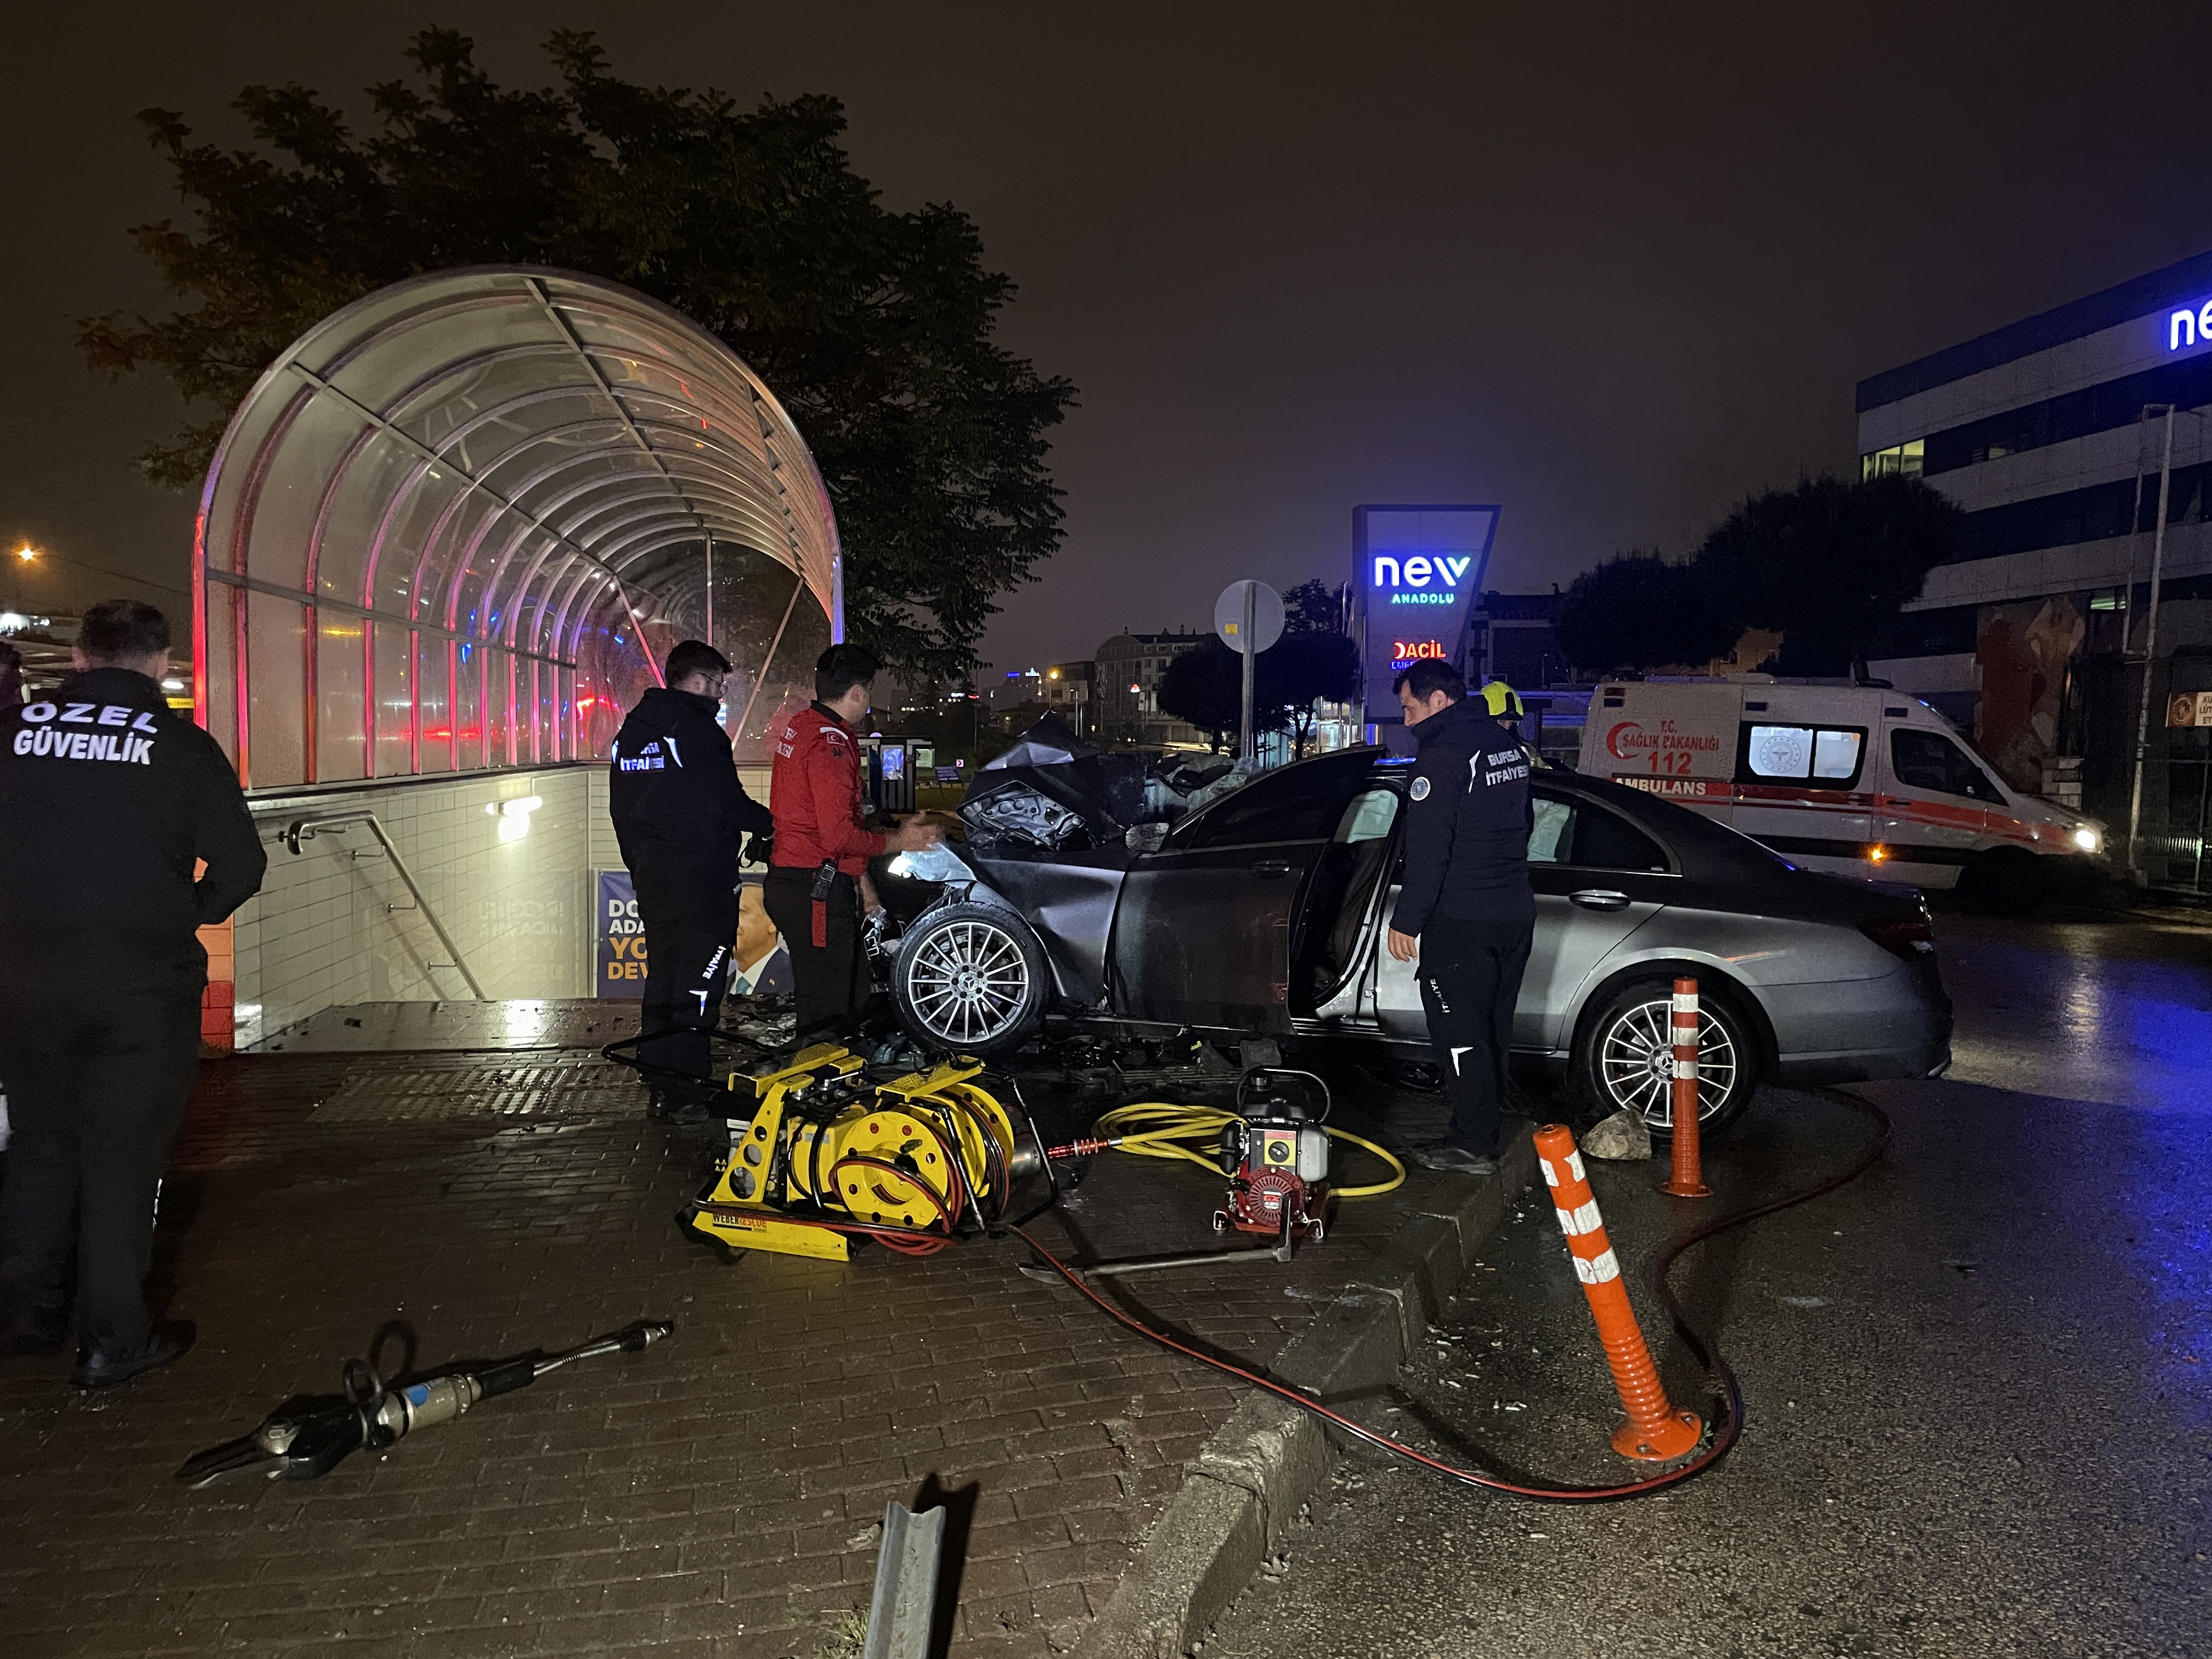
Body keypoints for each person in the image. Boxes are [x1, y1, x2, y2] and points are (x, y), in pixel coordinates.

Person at [0, 600, 266, 1387]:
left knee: (42, 1147)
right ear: (159, 662)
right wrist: (183, 913)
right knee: (122, 1158)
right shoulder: (179, 747)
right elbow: (241, 867)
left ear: (79, 659)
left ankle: (26, 1314)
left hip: (22, 982)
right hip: (139, 989)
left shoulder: (13, 736)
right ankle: (112, 1339)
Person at [608, 640, 774, 1120]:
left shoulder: (634, 731)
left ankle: (658, 1069)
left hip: (654, 879)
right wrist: (772, 824)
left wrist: (640, 866)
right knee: (700, 980)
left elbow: (622, 810)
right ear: (700, 681)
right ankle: (687, 1085)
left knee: (663, 973)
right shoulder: (698, 730)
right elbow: (727, 802)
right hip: (703, 882)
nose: (721, 696)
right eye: (719, 685)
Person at [1384, 659, 1535, 1176]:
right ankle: (1484, 1127)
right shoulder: (1508, 747)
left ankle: (1472, 1143)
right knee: (1493, 1027)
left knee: (1459, 1032)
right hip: (1513, 911)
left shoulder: (1442, 758)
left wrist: (1408, 920)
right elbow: (1524, 824)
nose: (1405, 720)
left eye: (1409, 707)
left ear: (1439, 701)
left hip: (1461, 920)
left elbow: (1430, 850)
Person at [766, 645, 940, 1046]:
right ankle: (813, 1094)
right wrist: (902, 840)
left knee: (851, 995)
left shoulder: (804, 725)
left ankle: (826, 1086)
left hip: (809, 883)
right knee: (828, 1012)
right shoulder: (830, 744)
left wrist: (865, 891)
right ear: (858, 693)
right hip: (814, 892)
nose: (869, 701)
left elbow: (836, 832)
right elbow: (839, 837)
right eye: (870, 690)